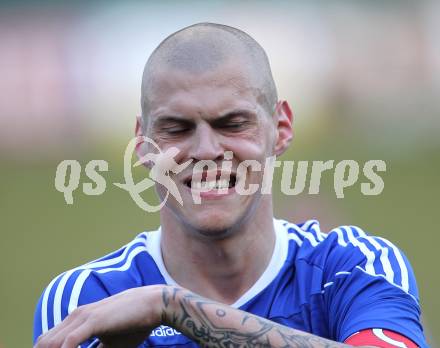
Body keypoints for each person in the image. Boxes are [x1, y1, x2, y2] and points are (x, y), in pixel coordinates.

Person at [33, 23, 426, 348]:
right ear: (142, 145)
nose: (206, 149)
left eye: (233, 124)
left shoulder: (357, 268)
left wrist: (174, 307)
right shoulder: (87, 298)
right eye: (176, 128)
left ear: (282, 128)